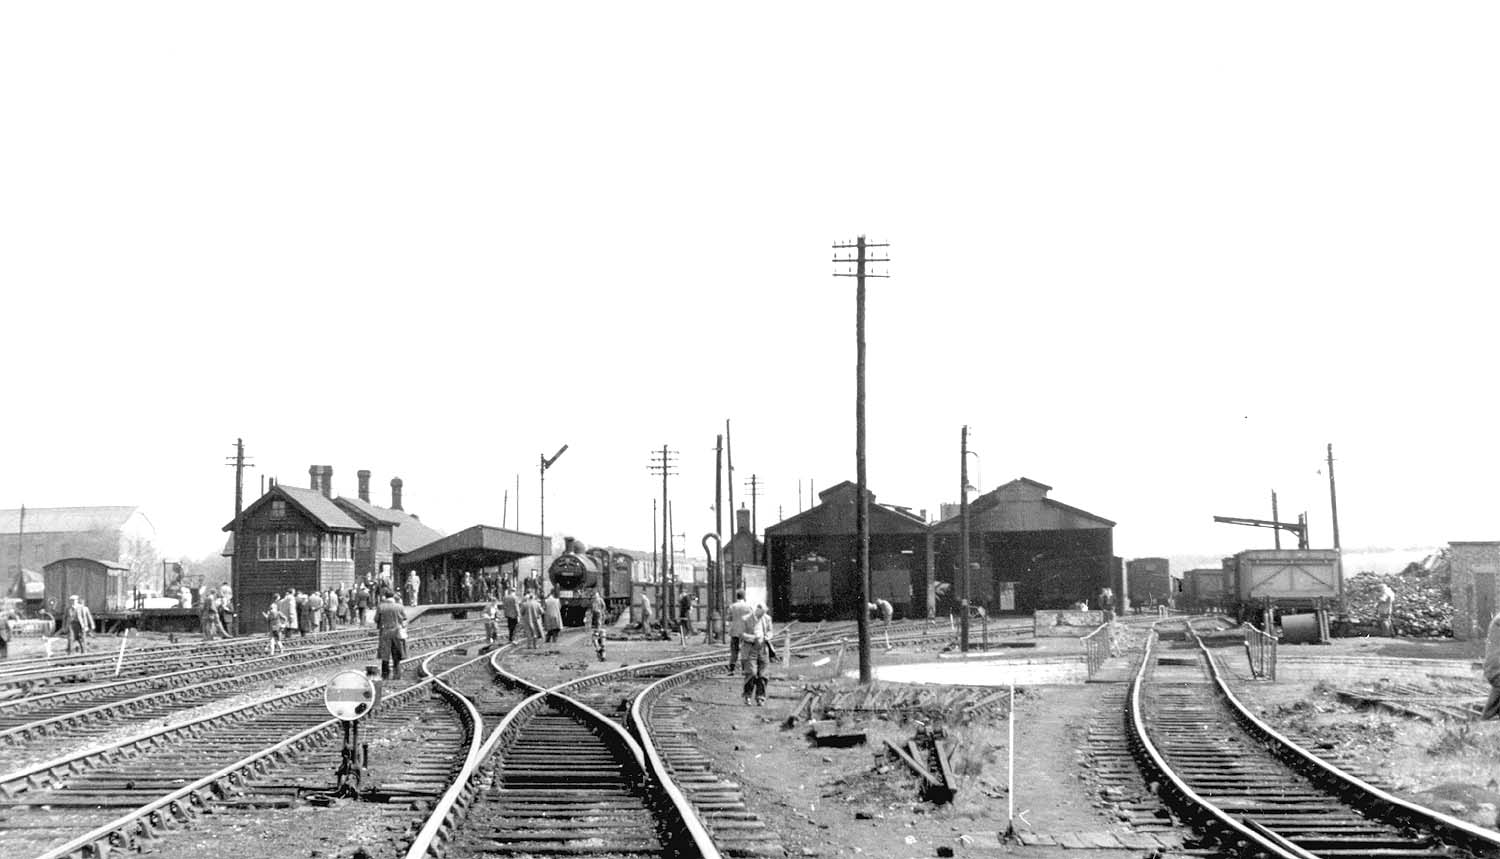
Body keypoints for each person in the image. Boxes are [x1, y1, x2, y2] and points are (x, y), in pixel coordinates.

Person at [740, 603, 773, 706]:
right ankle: (747, 696)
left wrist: (768, 636)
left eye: (764, 613)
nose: (763, 615)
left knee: (763, 674)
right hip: (750, 649)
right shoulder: (745, 619)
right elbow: (742, 634)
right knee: (752, 673)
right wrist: (754, 638)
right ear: (757, 610)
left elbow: (770, 631)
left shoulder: (767, 618)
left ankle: (760, 697)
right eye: (761, 613)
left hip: (763, 649)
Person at [376, 593, 408, 680]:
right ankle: (397, 674)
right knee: (396, 654)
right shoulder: (399, 606)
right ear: (393, 597)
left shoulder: (381, 606)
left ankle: (385, 675)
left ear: (385, 597)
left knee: (385, 655)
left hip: (385, 632)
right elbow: (405, 618)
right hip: (397, 632)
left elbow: (376, 619)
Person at [726, 590, 752, 674]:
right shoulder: (748, 606)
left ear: (737, 597)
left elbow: (729, 618)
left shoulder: (732, 606)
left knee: (734, 650)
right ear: (744, 596)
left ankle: (731, 669)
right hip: (745, 632)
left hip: (734, 632)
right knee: (745, 650)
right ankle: (744, 669)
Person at [587, 589, 607, 662]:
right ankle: (602, 654)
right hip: (598, 616)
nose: (595, 597)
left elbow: (603, 606)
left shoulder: (598, 600)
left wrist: (601, 611)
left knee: (596, 637)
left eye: (596, 595)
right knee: (601, 639)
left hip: (598, 616)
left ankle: (600, 651)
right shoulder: (596, 600)